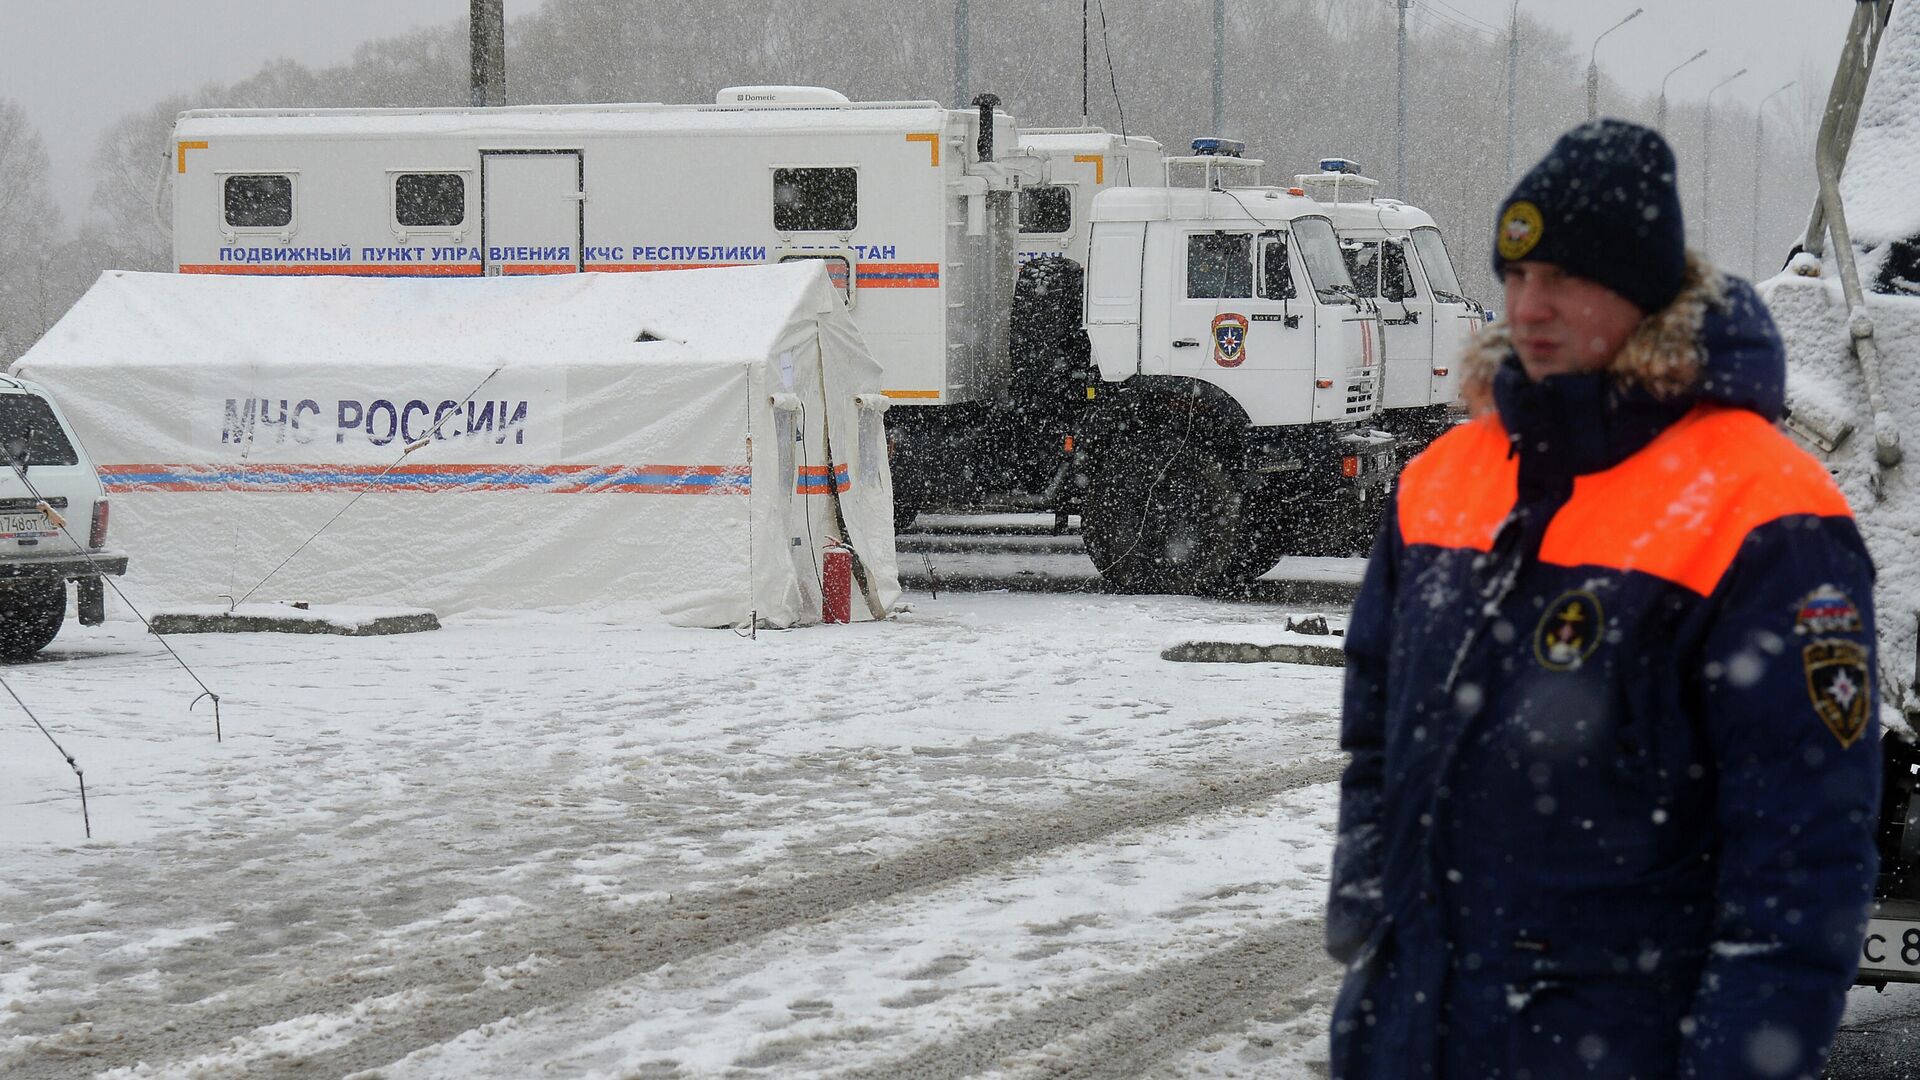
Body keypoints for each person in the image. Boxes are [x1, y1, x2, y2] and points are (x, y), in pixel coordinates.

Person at [1326, 119, 1882, 1079]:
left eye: (1565, 278)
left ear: (1641, 295)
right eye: (1516, 275)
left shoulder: (1766, 513)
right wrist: (1368, 899)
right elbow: (1375, 727)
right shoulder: (1441, 480)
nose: (1529, 305)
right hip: (1417, 1033)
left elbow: (1801, 858)